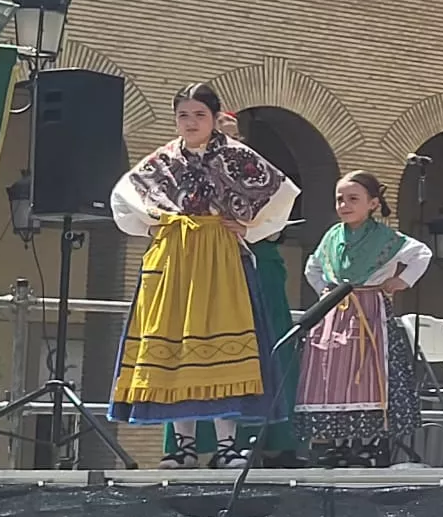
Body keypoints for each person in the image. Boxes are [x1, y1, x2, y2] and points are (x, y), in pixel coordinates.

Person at [109, 83, 301, 469]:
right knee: (178, 346)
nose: (191, 122)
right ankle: (182, 446)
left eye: (199, 115)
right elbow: (123, 196)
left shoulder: (236, 156)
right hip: (175, 258)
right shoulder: (162, 161)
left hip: (221, 257)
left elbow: (283, 194)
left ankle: (228, 446)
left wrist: (250, 229)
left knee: (222, 344)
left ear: (215, 118)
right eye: (184, 115)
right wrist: (151, 229)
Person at [161, 110, 308, 467]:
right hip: (202, 263)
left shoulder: (250, 170)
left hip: (256, 266)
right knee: (198, 348)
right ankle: (193, 445)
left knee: (266, 348)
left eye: (231, 134)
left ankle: (271, 441)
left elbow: (275, 216)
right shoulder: (181, 166)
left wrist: (247, 226)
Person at [293, 171, 433, 467]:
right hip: (335, 314)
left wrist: (402, 281)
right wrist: (326, 294)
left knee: (369, 373)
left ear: (372, 203)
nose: (344, 204)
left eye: (353, 199)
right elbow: (312, 266)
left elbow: (421, 253)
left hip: (370, 312)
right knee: (333, 377)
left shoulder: (385, 237)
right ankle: (336, 443)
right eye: (340, 199)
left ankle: (369, 443)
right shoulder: (332, 236)